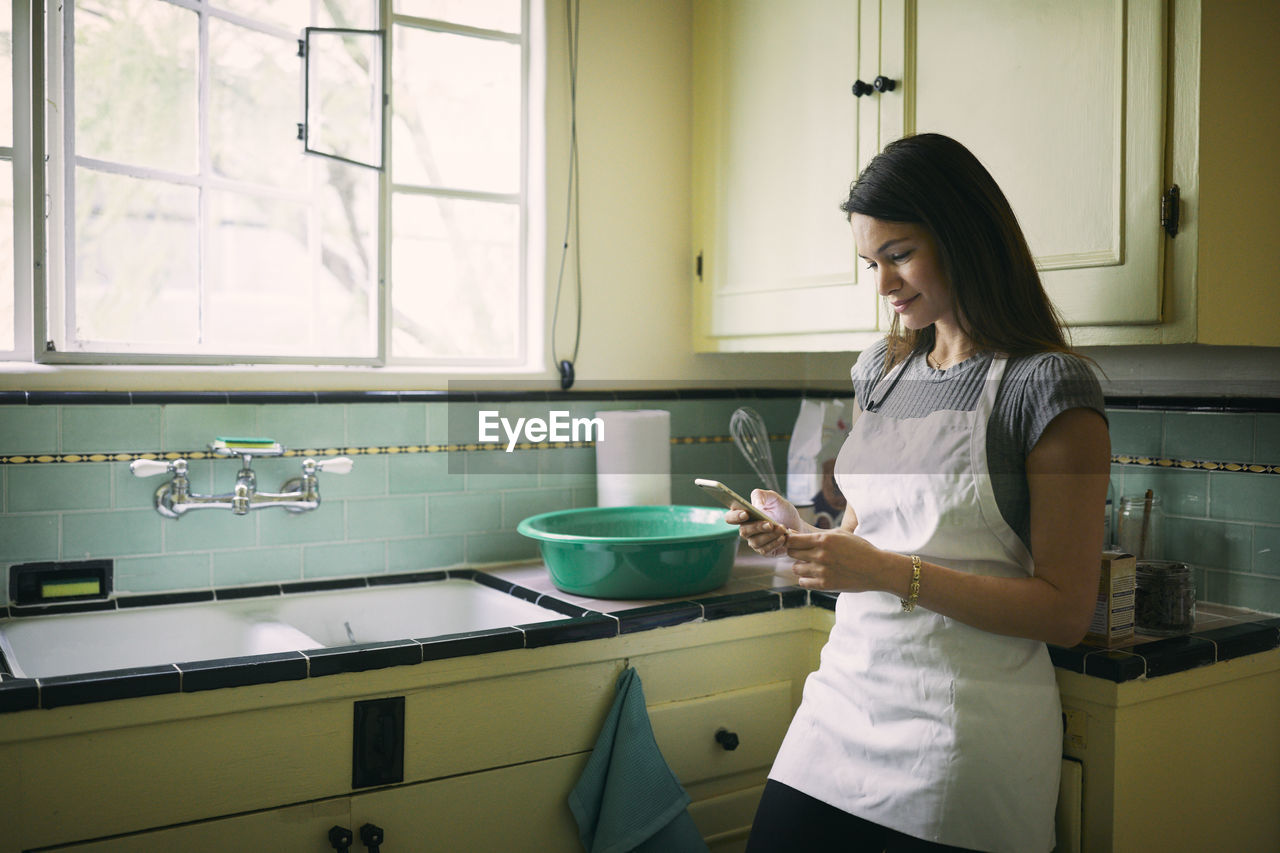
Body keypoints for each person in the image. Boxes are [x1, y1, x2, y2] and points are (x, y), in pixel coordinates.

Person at [729, 133, 1110, 853]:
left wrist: (878, 571)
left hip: (959, 739)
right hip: (841, 706)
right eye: (871, 263)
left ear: (967, 237)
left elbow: (1065, 609)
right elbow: (869, 529)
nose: (883, 285)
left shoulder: (1049, 388)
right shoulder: (882, 368)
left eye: (899, 255)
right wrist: (800, 530)